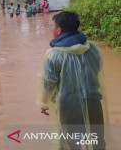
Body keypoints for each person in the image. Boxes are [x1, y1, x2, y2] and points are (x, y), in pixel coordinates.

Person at [37, 11, 105, 150]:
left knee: (70, 143)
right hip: (93, 102)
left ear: (59, 30)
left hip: (68, 107)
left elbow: (49, 82)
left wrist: (44, 102)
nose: (52, 29)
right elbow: (96, 69)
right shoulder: (92, 48)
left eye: (53, 26)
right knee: (96, 140)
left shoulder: (54, 54)